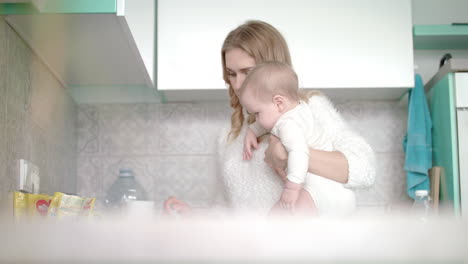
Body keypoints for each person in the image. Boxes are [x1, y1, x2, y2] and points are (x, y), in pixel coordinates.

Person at [164, 20, 375, 217]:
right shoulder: (230, 135)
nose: (237, 85)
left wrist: (287, 154)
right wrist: (193, 216)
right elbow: (226, 212)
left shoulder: (308, 109)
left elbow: (364, 169)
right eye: (231, 74)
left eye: (246, 72)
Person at [239, 61, 355, 216]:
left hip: (318, 189)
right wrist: (253, 131)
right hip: (334, 188)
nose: (256, 119)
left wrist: (291, 189)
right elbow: (270, 121)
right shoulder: (299, 110)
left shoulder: (288, 124)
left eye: (257, 113)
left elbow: (299, 152)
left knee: (276, 219)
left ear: (279, 103)